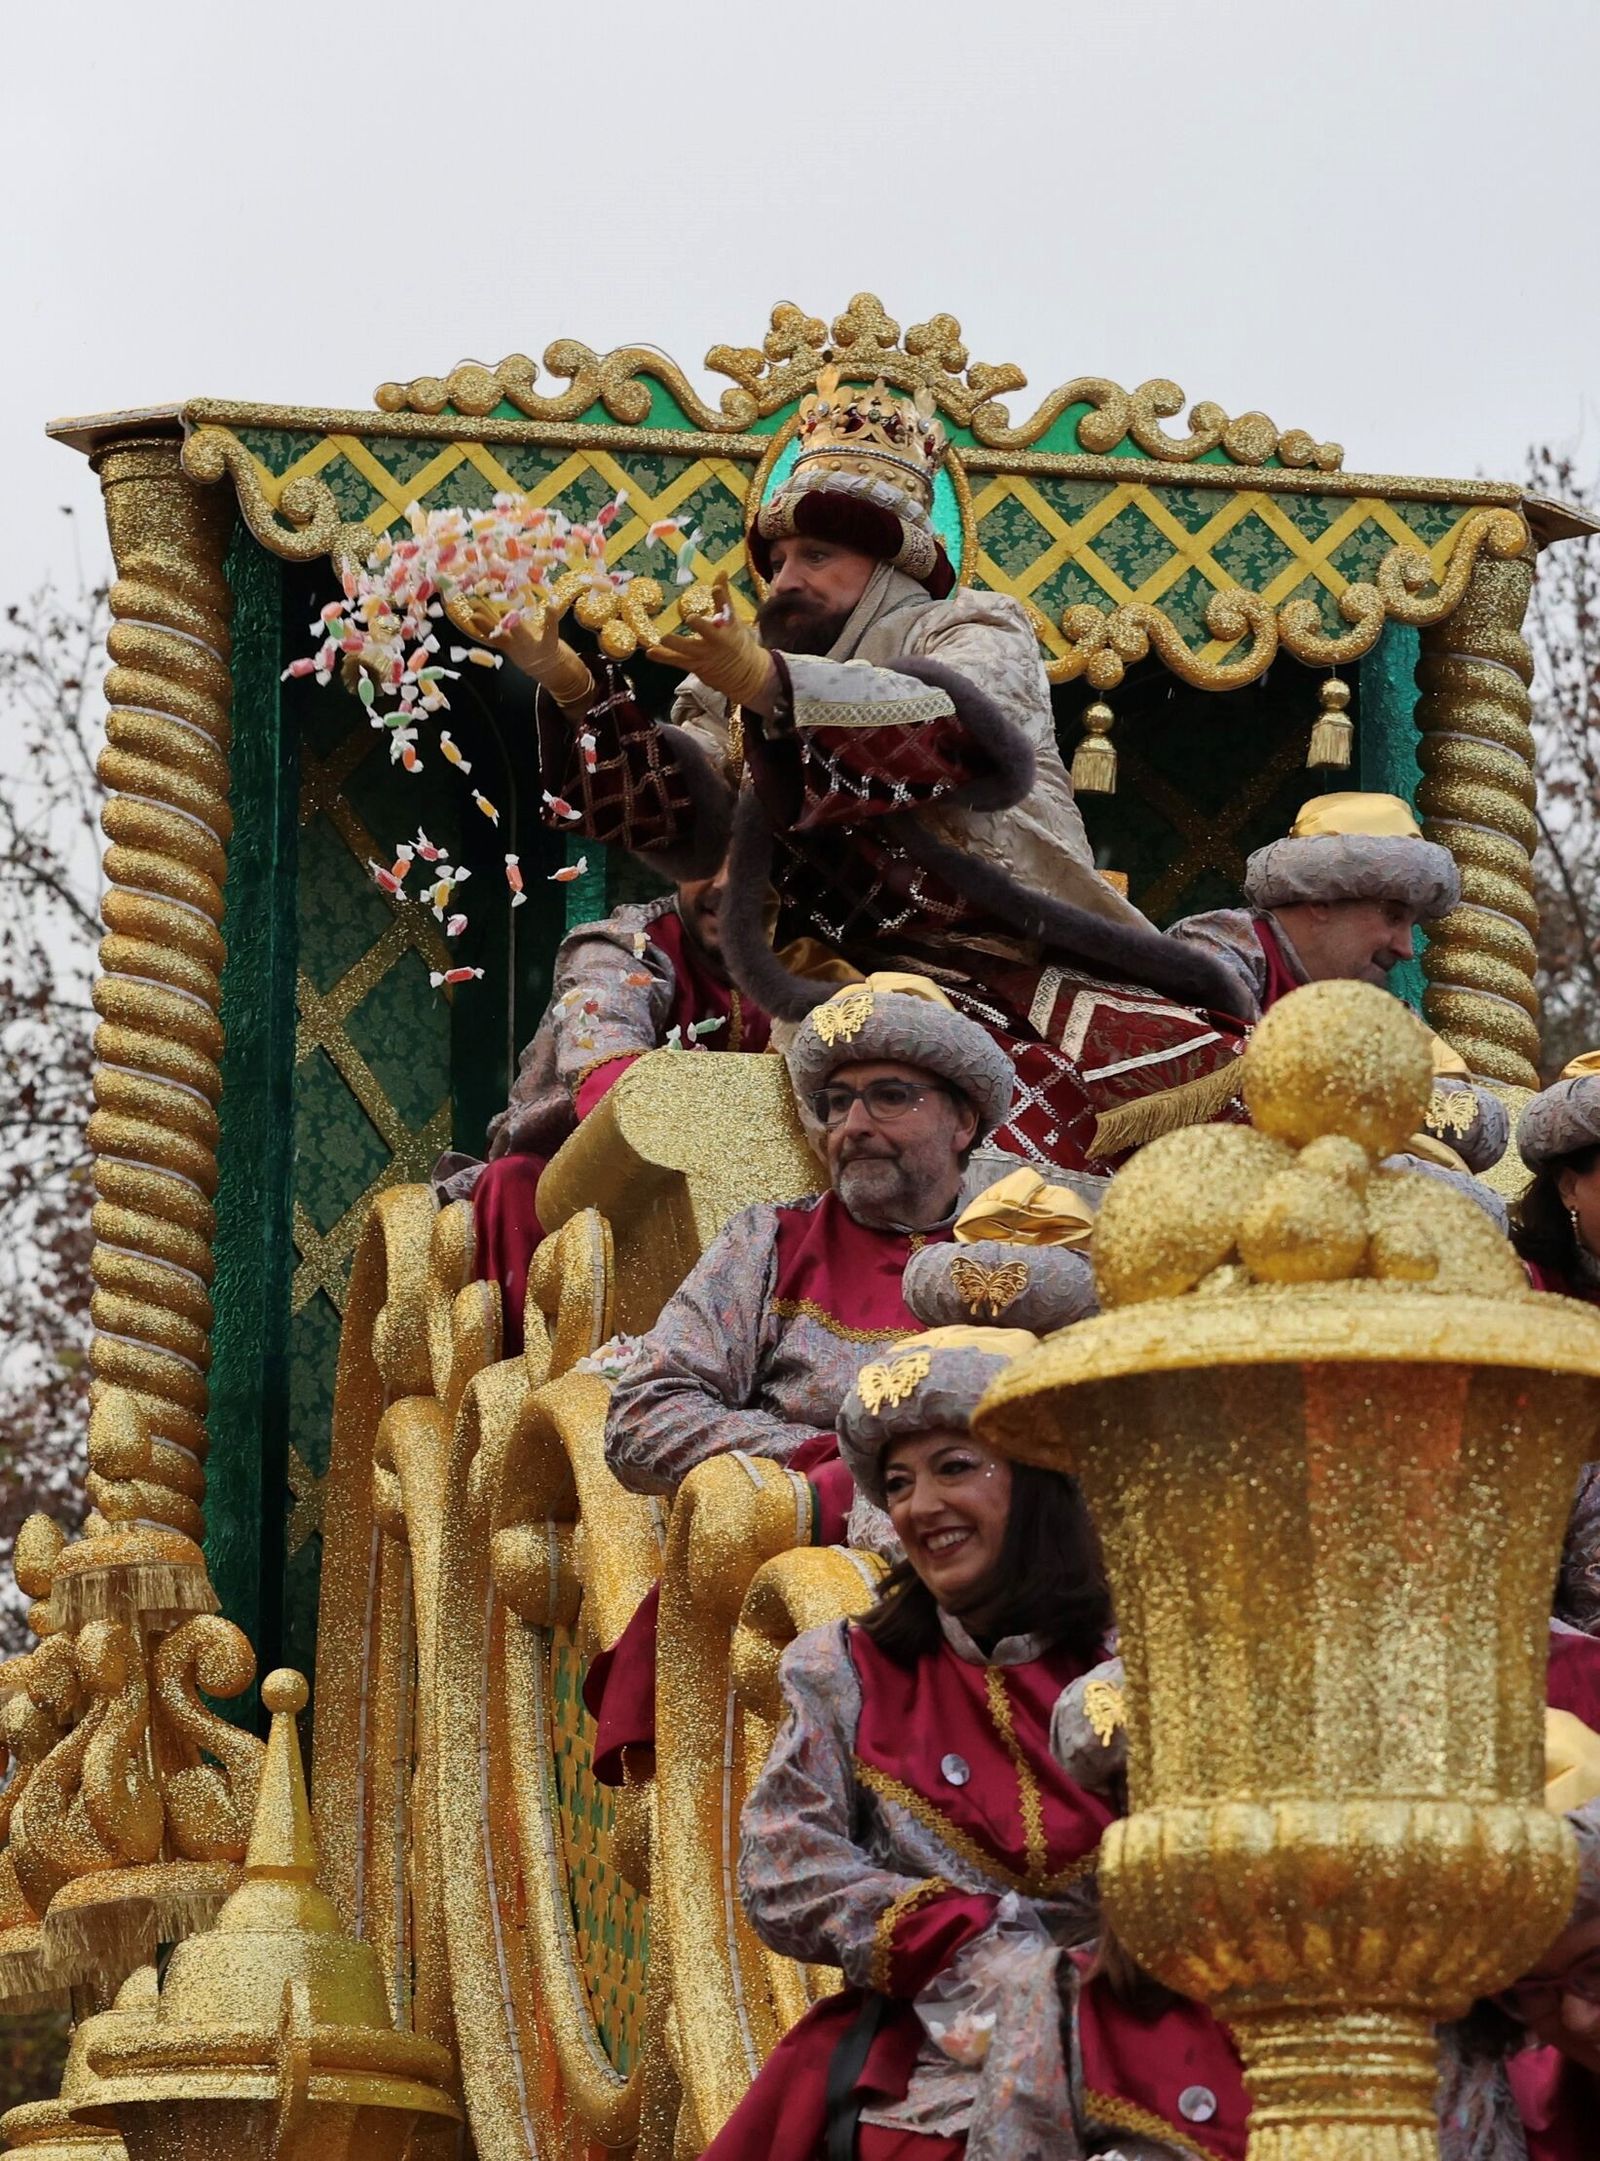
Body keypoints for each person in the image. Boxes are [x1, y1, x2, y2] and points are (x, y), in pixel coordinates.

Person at [473, 370, 1251, 1175]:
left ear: (888, 565)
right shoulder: (732, 680)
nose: (785, 581)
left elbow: (948, 731)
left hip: (1021, 961)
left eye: (816, 554)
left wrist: (773, 687)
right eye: (774, 562)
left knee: (1215, 1114)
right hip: (834, 988)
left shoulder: (975, 626)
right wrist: (570, 688)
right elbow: (686, 827)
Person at [700, 1324, 1250, 2160]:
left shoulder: (1152, 1656)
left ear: (1036, 1482)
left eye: (956, 1466)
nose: (921, 1506)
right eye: (898, 1482)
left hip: (1154, 2041)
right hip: (929, 2054)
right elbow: (783, 1871)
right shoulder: (846, 1666)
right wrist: (965, 1941)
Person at [583, 977, 1019, 1785]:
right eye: (837, 1101)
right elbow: (640, 1419)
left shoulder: (1024, 1259)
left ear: (963, 1120)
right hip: (791, 1611)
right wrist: (823, 1466)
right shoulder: (769, 1242)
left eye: (889, 1097)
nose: (852, 1125)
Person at [433, 864, 770, 1351]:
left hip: (741, 1208)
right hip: (572, 1189)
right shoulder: (619, 950)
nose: (723, 881)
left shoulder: (814, 964)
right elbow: (612, 1089)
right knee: (514, 1185)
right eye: (702, 855)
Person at [1169, 790, 1507, 1177]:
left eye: (1412, 926)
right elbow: (1213, 1079)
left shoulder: (1383, 1016)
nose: (1406, 949)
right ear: (1321, 900)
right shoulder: (1212, 956)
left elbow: (1482, 1124)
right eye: (1393, 918)